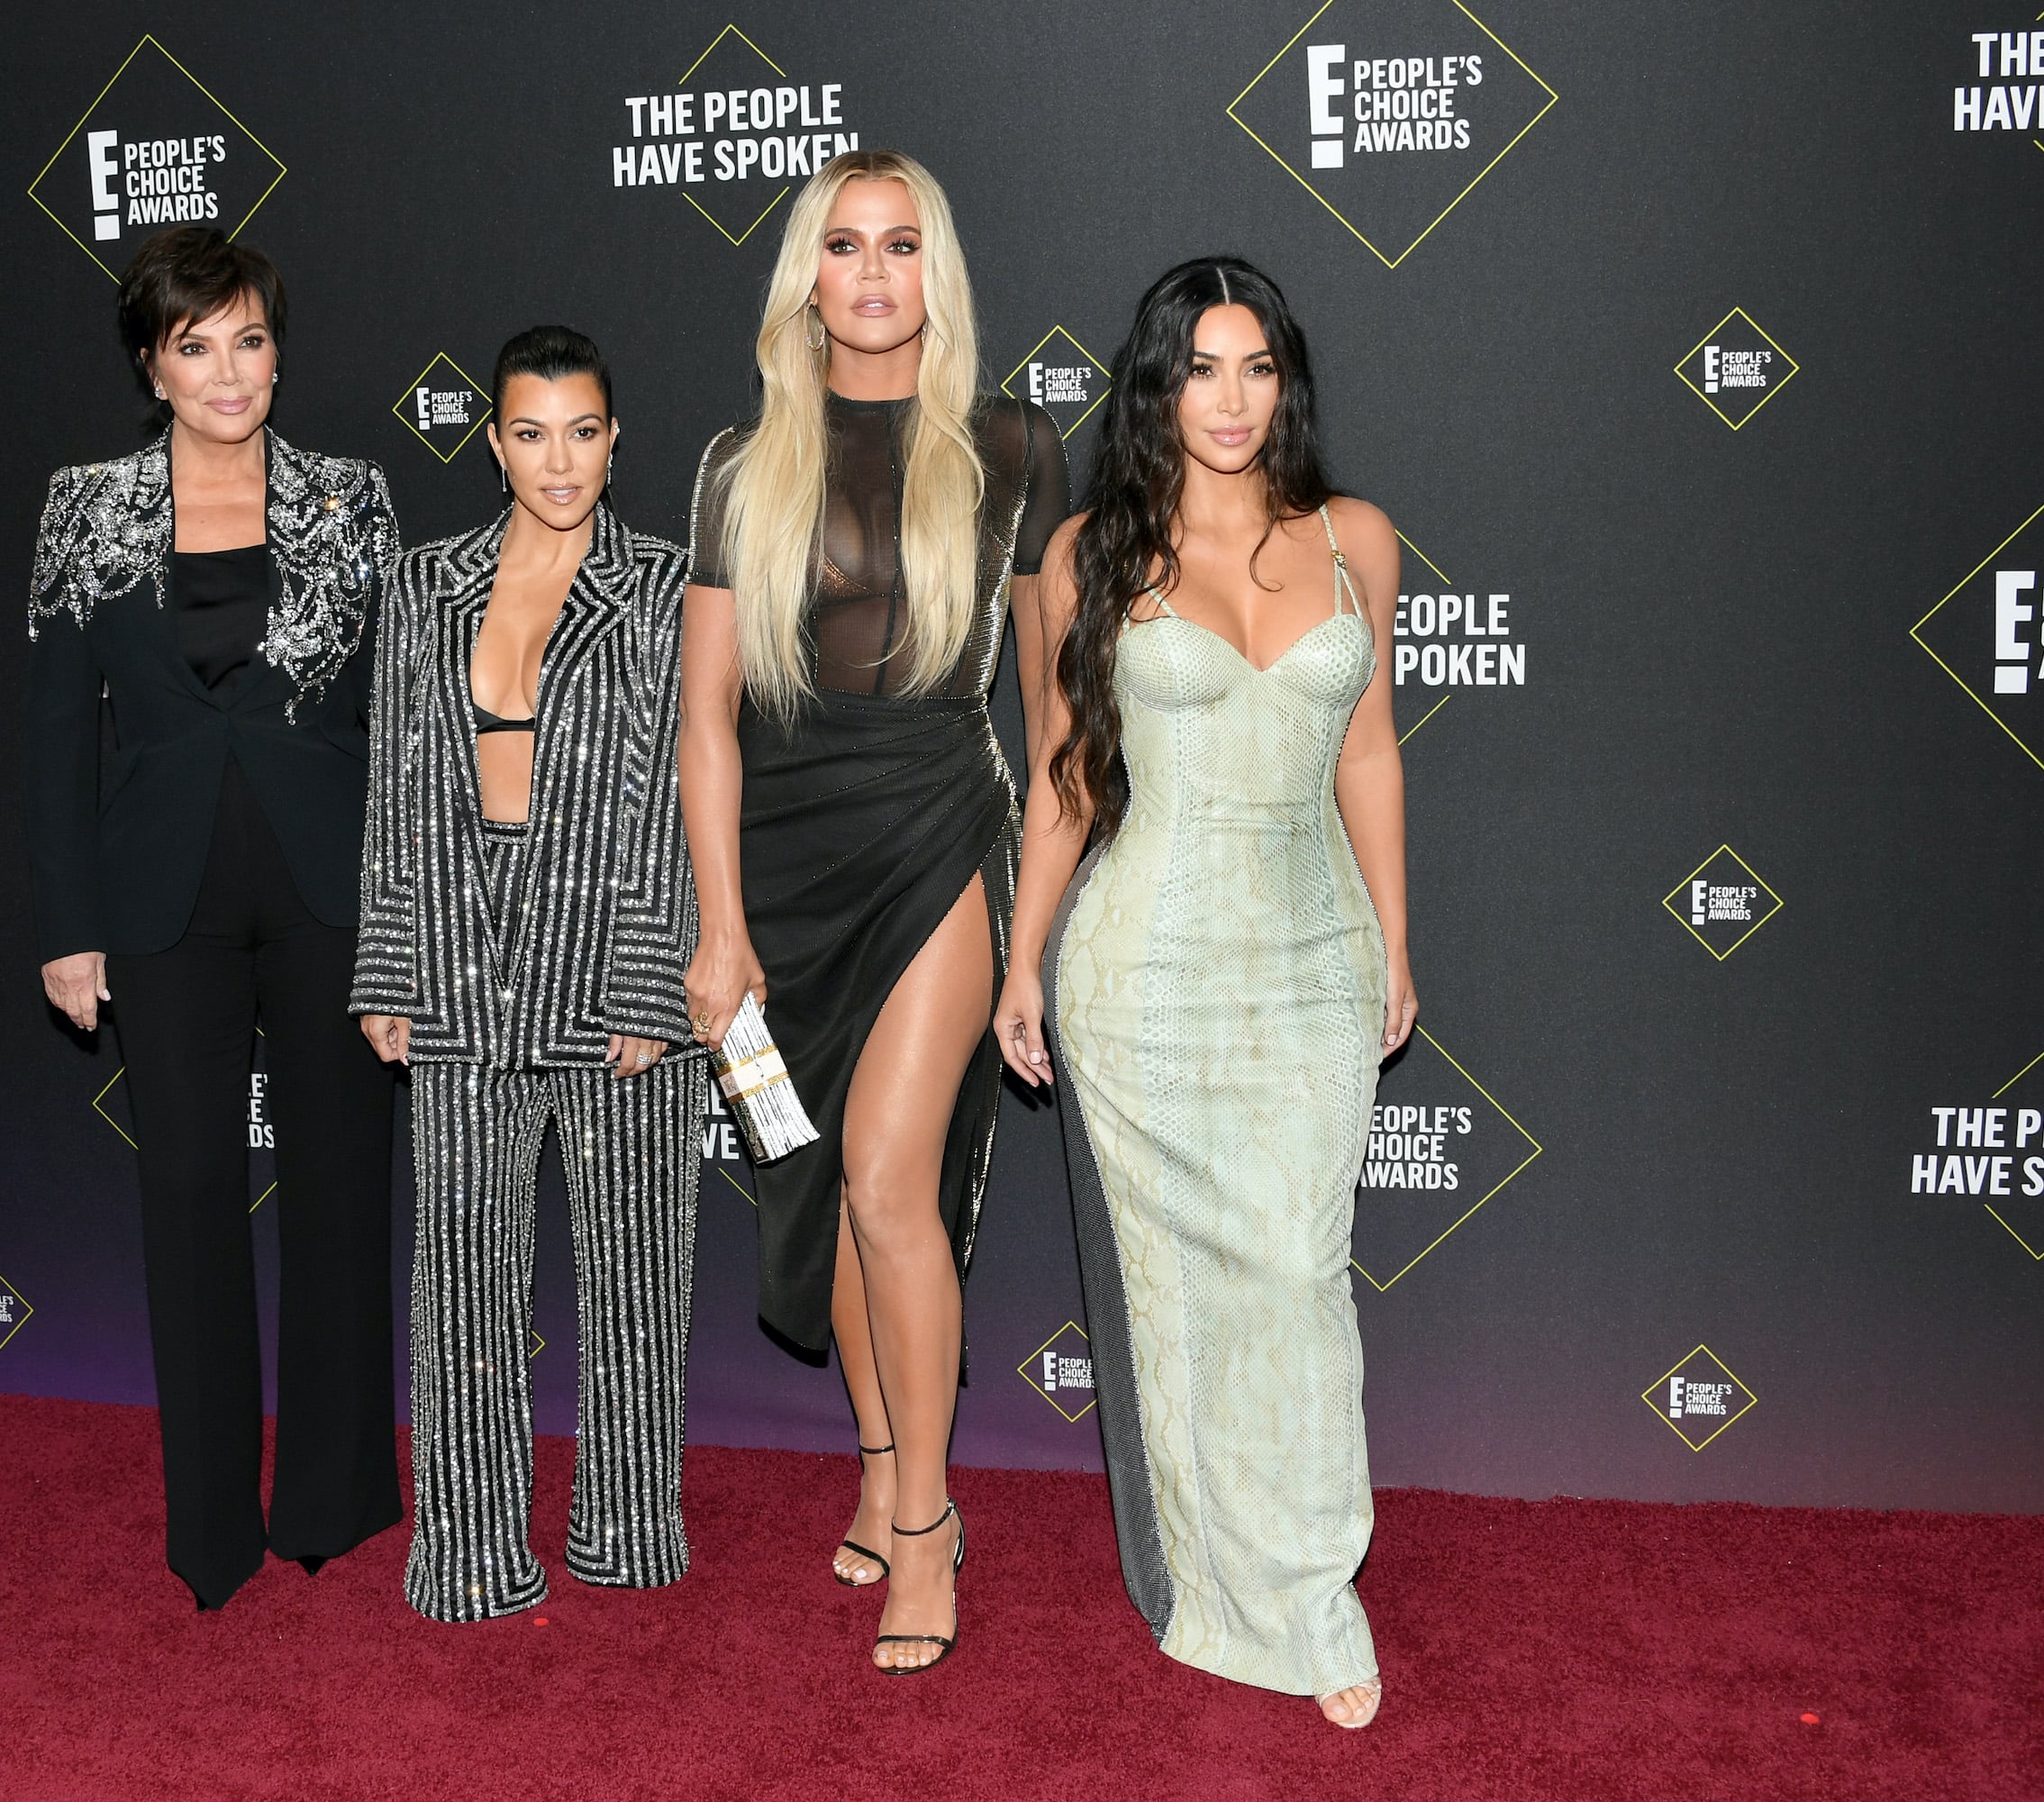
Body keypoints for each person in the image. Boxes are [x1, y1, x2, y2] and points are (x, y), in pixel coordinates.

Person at [994, 257, 1414, 1729]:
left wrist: (1396, 943)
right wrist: (1021, 961)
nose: (1230, 400)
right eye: (1199, 370)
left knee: (1299, 1275)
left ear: (1286, 381)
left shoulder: (1356, 540)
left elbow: (1369, 750)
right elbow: (1067, 774)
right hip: (1146, 973)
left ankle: (1312, 1587)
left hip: (1314, 955)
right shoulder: (1089, 554)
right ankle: (1224, 1595)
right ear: (1155, 388)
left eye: (1256, 367)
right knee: (1180, 1292)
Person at [680, 149, 1067, 1674]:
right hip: (786, 857)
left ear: (935, 272)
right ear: (809, 277)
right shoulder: (739, 464)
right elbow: (707, 722)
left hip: (938, 830)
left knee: (893, 1176)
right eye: (844, 246)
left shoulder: (1016, 447)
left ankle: (925, 1524)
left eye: (902, 246)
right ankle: (879, 1461)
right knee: (833, 1184)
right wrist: (721, 925)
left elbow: (1055, 715)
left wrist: (1041, 925)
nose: (874, 274)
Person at [24, 224, 401, 1612]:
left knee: (340, 1192)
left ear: (278, 353)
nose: (231, 371)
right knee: (187, 1198)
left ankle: (335, 1494)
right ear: (153, 364)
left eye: (251, 339)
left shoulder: (352, 499)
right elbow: (57, 731)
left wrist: (405, 917)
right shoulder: (85, 509)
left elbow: (401, 724)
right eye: (198, 345)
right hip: (159, 899)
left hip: (330, 891)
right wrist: (68, 923)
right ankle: (212, 1531)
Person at [352, 326, 702, 1624]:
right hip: (458, 945)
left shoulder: (667, 584)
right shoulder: (423, 582)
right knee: (461, 1281)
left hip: (613, 949)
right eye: (532, 433)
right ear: (493, 443)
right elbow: (395, 777)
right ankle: (470, 1549)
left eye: (584, 432)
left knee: (634, 1271)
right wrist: (388, 962)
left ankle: (625, 1526)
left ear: (616, 440)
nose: (560, 461)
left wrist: (655, 971)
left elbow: (688, 784)